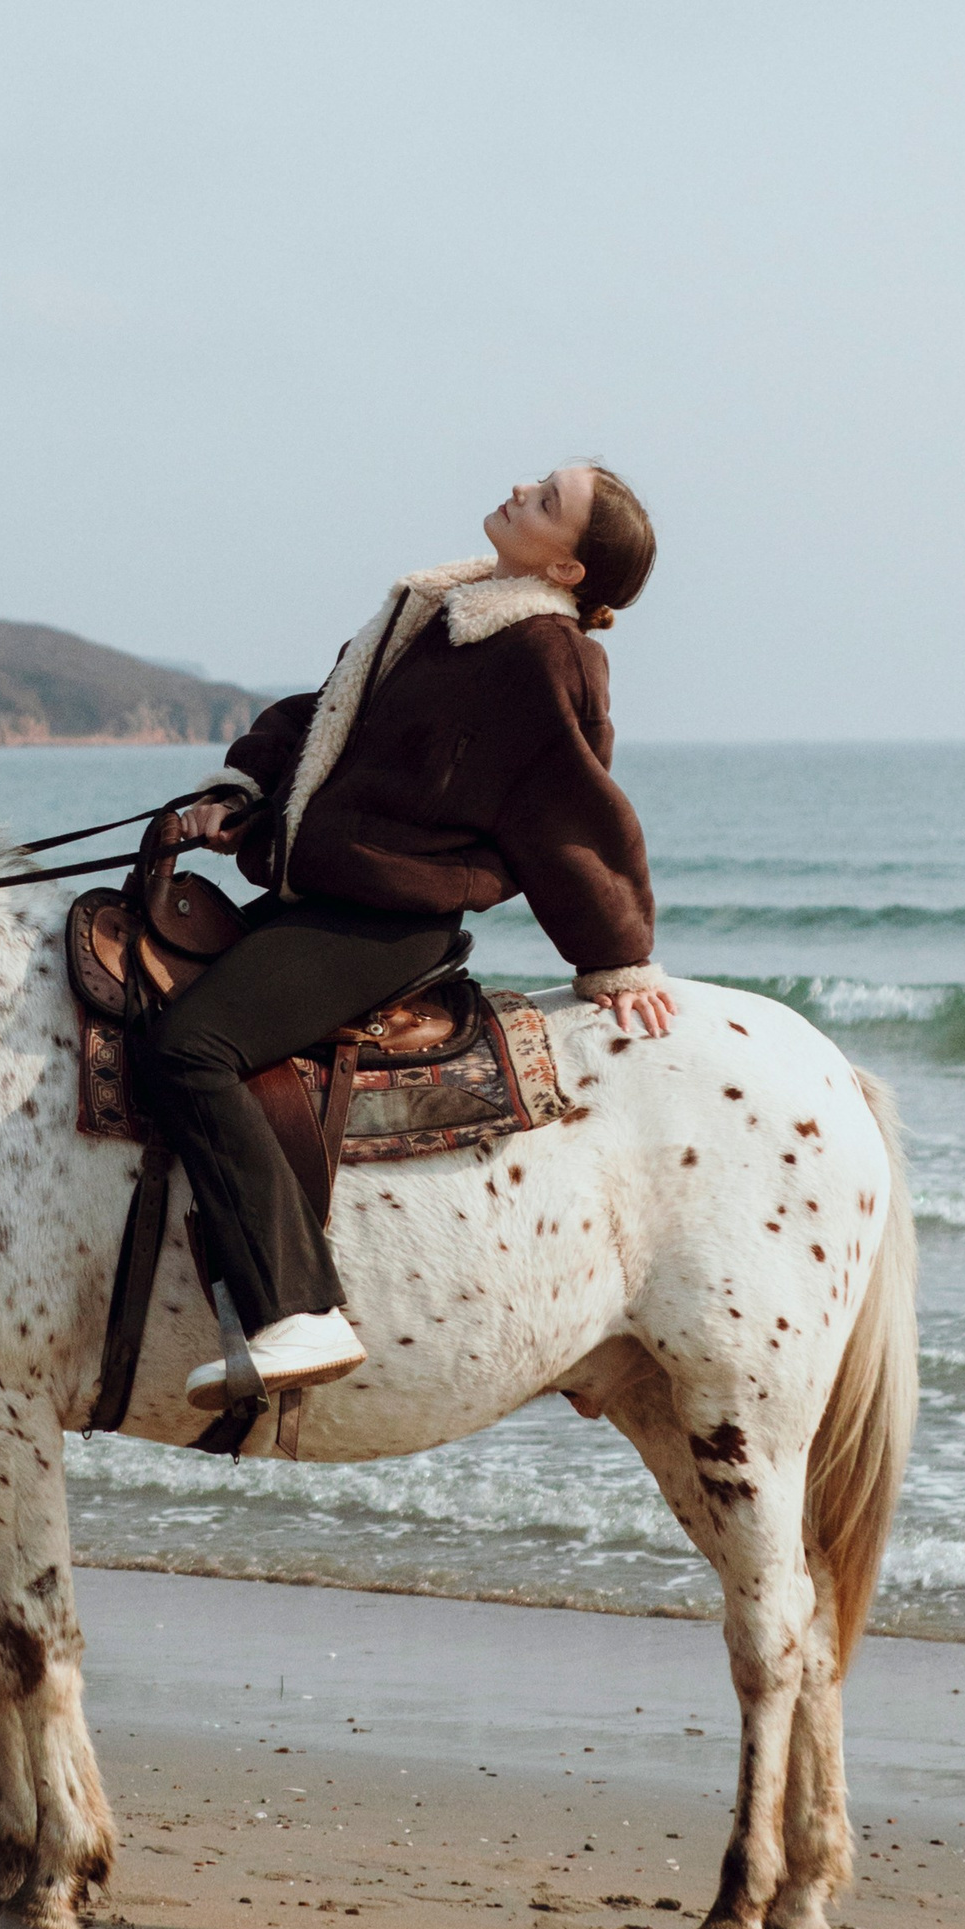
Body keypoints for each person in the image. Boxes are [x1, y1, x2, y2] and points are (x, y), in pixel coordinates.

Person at [134, 461, 673, 1414]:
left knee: (191, 1048)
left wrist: (616, 956)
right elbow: (326, 718)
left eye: (547, 501)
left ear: (568, 571)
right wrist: (243, 789)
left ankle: (298, 1310)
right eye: (536, 482)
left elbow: (571, 809)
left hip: (389, 922)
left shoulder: (545, 651)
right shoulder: (435, 607)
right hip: (318, 897)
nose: (522, 491)